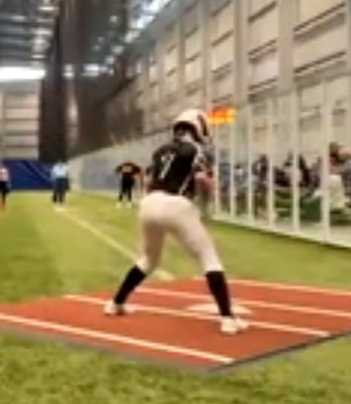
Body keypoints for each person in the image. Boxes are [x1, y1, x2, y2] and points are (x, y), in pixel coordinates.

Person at [104, 110, 247, 335]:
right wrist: (208, 201)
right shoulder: (197, 149)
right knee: (209, 258)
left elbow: (148, 181)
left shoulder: (160, 150)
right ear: (198, 128)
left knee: (148, 259)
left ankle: (115, 303)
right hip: (176, 204)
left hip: (149, 202)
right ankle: (228, 318)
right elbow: (201, 179)